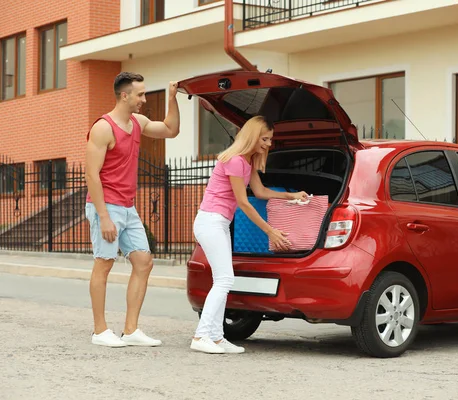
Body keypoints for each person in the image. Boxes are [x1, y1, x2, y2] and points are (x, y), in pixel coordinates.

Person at [191, 115, 308, 354]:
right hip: (210, 222)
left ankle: (215, 336)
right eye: (265, 138)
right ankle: (202, 335)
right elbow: (243, 203)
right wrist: (270, 231)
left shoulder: (247, 162)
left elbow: (261, 191)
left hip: (219, 223)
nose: (268, 144)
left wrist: (291, 196)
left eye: (270, 140)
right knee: (224, 280)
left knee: (223, 279)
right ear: (253, 136)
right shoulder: (235, 161)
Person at [85, 72, 180, 347]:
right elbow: (92, 175)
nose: (144, 99)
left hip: (128, 206)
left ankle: (131, 330)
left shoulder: (137, 122)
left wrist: (172, 99)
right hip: (107, 206)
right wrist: (103, 217)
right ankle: (100, 331)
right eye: (140, 94)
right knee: (104, 264)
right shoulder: (103, 128)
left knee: (143, 262)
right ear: (124, 95)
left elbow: (170, 131)